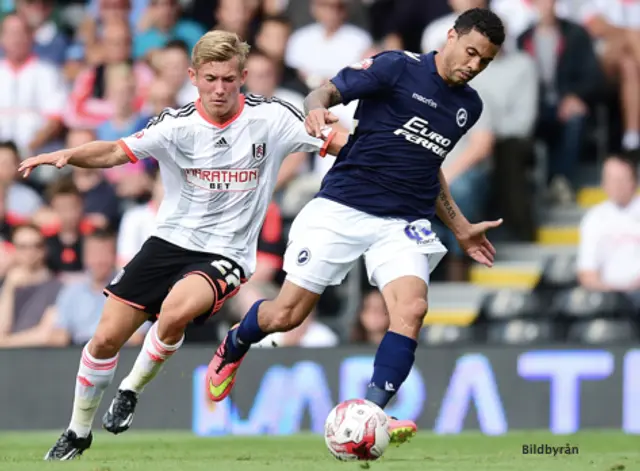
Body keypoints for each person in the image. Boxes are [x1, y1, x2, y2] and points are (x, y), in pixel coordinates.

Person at [18, 30, 344, 461]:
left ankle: (131, 390)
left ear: (244, 76)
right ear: (193, 76)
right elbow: (116, 151)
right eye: (211, 78)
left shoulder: (274, 118)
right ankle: (78, 431)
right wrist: (68, 154)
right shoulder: (176, 125)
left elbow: (336, 141)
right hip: (168, 243)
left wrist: (371, 153)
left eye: (229, 78)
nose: (220, 88)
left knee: (175, 309)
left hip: (226, 253)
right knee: (103, 341)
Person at [206, 7, 506, 445]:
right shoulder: (395, 67)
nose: (474, 66)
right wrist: (315, 113)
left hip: (403, 221)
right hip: (343, 206)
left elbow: (429, 166)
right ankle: (236, 341)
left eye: (485, 61)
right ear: (451, 36)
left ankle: (369, 415)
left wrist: (458, 225)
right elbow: (323, 92)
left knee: (412, 310)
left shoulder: (468, 107)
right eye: (472, 52)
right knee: (287, 315)